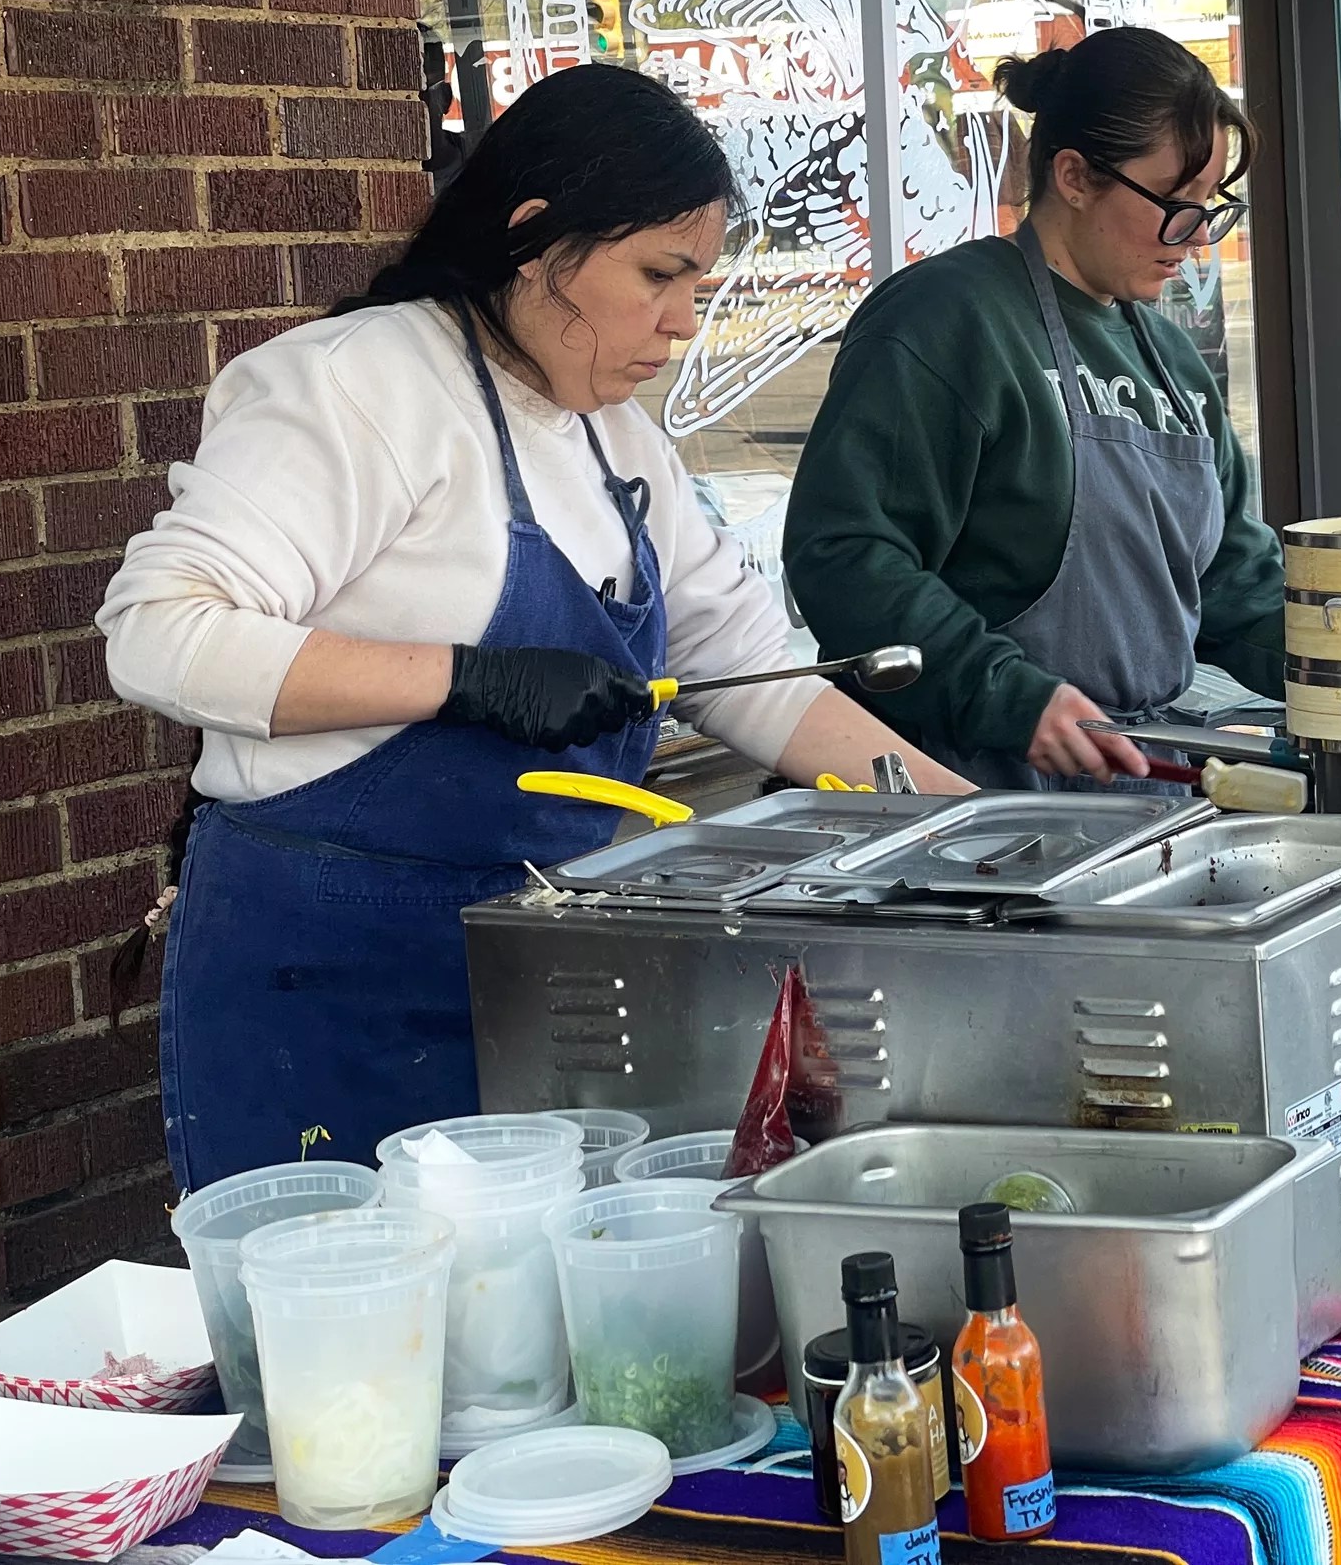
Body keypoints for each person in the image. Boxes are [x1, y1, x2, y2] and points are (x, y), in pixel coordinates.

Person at [99, 63, 967, 1192]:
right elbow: (159, 633)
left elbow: (757, 676)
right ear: (535, 238)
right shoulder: (355, 387)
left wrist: (975, 831)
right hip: (330, 981)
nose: (683, 323)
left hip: (542, 977)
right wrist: (465, 680)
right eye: (659, 275)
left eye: (696, 284)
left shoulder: (617, 438)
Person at [785, 27, 1287, 789]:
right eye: (1173, 205)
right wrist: (1009, 697)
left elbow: (1233, 584)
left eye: (1208, 208)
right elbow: (845, 556)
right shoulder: (948, 318)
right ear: (1075, 176)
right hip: (966, 792)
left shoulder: (1173, 360)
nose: (1194, 239)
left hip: (1142, 781)